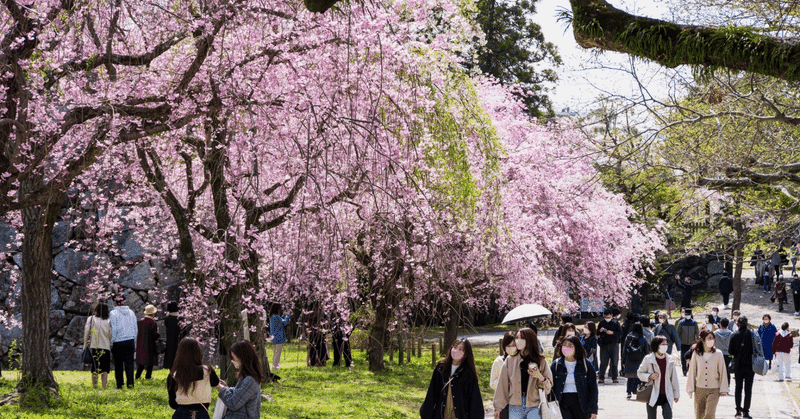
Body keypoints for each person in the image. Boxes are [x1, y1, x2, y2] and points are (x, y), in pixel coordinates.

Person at [493, 328, 553, 419]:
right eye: (516, 338)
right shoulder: (510, 360)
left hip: (534, 405)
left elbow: (548, 387)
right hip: (515, 405)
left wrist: (540, 377)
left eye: (521, 338)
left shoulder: (541, 361)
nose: (518, 341)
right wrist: (498, 407)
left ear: (529, 340)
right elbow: (502, 385)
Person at [421, 338, 484, 419]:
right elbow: (431, 395)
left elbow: (475, 402)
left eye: (460, 349)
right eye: (454, 347)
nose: (456, 351)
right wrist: (426, 414)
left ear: (466, 354)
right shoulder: (440, 369)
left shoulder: (468, 374)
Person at [167, 338, 220, 419]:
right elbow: (215, 383)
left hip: (181, 413)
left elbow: (173, 403)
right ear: (198, 351)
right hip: (202, 413)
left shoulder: (174, 375)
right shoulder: (208, 371)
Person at [550, 335, 598, 419]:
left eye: (570, 345)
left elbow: (593, 388)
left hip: (581, 402)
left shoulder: (585, 364)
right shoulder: (556, 365)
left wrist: (593, 410)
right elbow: (550, 387)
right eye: (564, 345)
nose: (566, 347)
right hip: (562, 402)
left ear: (577, 347)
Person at [215, 341, 264, 419]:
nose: (232, 361)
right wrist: (227, 388)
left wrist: (220, 388)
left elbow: (233, 403)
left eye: (234, 358)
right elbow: (241, 394)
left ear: (243, 358)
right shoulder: (247, 376)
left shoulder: (250, 380)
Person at [686, 330, 728, 419]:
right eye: (709, 338)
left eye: (713, 338)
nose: (711, 340)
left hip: (714, 389)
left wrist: (723, 388)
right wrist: (690, 388)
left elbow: (723, 371)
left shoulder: (718, 354)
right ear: (702, 340)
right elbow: (692, 371)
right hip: (699, 389)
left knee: (709, 414)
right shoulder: (696, 353)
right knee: (699, 415)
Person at [637, 336, 680, 419]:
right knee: (651, 417)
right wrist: (649, 376)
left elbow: (674, 378)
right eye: (662, 344)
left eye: (666, 344)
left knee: (668, 416)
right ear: (656, 345)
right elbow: (639, 373)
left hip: (666, 393)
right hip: (652, 393)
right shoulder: (648, 359)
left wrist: (676, 394)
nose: (665, 346)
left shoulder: (670, 359)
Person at [109, 294, 138, 389]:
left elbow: (114, 329)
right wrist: (134, 339)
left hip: (118, 341)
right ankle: (130, 384)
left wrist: (111, 342)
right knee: (130, 364)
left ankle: (120, 384)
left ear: (115, 302)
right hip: (130, 340)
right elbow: (135, 328)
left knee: (118, 364)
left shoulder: (113, 313)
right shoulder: (131, 312)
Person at [729, 316, 755, 419]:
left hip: (738, 365)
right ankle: (746, 412)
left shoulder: (734, 334)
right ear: (747, 323)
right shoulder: (752, 334)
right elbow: (757, 348)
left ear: (738, 324)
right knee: (748, 389)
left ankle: (738, 410)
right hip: (750, 365)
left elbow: (730, 351)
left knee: (738, 388)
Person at [84, 303, 111, 389]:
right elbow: (110, 334)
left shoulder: (91, 319)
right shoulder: (108, 321)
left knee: (95, 367)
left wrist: (85, 345)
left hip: (94, 346)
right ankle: (104, 387)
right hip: (106, 346)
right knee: (105, 369)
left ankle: (95, 386)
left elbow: (87, 331)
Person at [622, 323, 650, 399]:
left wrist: (623, 361)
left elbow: (624, 350)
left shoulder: (628, 337)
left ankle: (629, 392)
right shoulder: (642, 338)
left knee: (630, 378)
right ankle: (637, 391)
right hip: (640, 360)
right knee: (638, 377)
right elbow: (646, 351)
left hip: (629, 359)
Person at [596, 309, 621, 383]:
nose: (607, 318)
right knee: (603, 362)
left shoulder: (616, 322)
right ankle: (601, 377)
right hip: (604, 344)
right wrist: (600, 331)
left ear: (611, 315)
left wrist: (612, 333)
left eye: (608, 317)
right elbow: (597, 333)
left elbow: (620, 333)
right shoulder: (601, 323)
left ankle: (614, 377)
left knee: (614, 361)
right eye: (605, 317)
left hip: (614, 344)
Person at [135, 304, 160, 380]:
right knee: (150, 361)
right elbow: (154, 336)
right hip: (150, 344)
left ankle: (137, 376)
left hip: (141, 343)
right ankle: (148, 376)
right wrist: (158, 333)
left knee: (141, 362)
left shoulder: (140, 322)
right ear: (153, 313)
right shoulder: (152, 322)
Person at [268, 303, 291, 370]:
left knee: (276, 352)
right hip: (279, 337)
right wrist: (287, 315)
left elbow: (281, 322)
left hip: (274, 337)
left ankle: (275, 364)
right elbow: (284, 322)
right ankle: (275, 366)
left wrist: (284, 315)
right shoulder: (276, 316)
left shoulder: (273, 316)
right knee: (278, 352)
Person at [676, 309, 698, 376]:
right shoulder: (681, 322)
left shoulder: (694, 323)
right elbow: (677, 333)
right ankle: (684, 370)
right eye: (686, 314)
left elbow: (697, 332)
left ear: (691, 315)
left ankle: (689, 369)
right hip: (683, 343)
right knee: (683, 357)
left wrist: (696, 341)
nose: (687, 316)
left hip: (691, 344)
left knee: (691, 357)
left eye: (688, 314)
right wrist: (678, 341)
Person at [713, 318, 733, 384]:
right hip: (728, 354)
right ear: (728, 325)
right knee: (727, 369)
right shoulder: (731, 334)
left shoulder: (715, 333)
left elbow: (713, 343)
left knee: (718, 370)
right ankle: (728, 385)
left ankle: (718, 384)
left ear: (720, 324)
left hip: (718, 353)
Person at [163, 301, 181, 370]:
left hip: (170, 341)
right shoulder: (180, 319)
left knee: (170, 357)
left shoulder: (167, 319)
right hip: (179, 341)